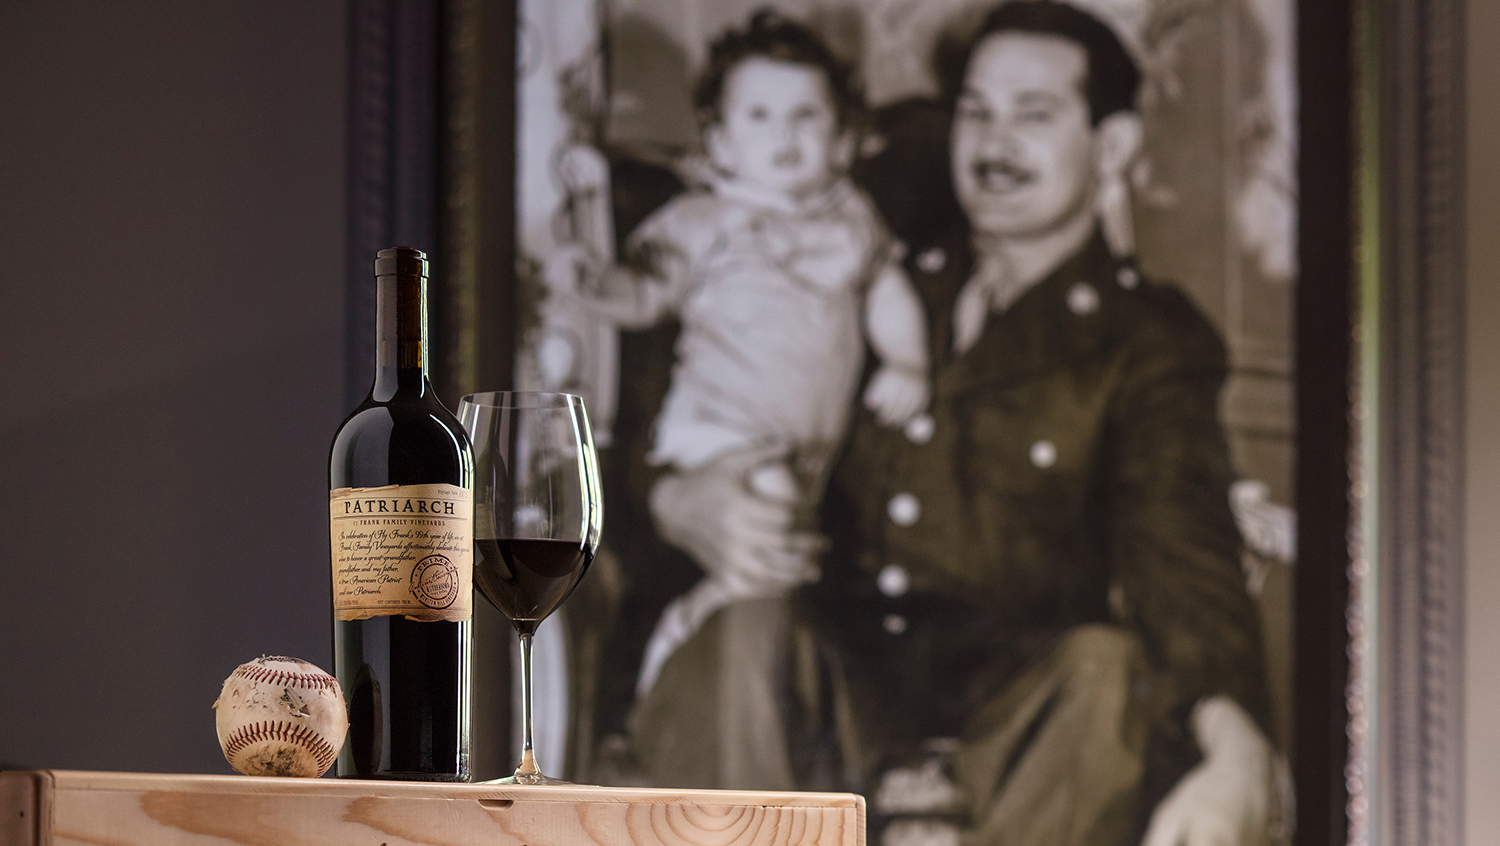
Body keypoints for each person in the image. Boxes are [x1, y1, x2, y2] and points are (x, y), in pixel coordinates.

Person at [646, 3, 1281, 845]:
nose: (993, 141)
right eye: (976, 111)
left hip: (1018, 740)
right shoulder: (870, 269)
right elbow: (705, 396)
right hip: (829, 708)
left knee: (1106, 670)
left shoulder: (1147, 339)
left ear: (1114, 146)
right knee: (744, 630)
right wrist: (677, 498)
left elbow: (1182, 552)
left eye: (1034, 114)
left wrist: (1235, 747)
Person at [549, 9, 931, 754]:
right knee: (769, 541)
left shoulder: (852, 219)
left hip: (802, 444)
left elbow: (887, 293)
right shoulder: (703, 220)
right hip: (717, 431)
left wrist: (909, 362)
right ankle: (682, 629)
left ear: (843, 137)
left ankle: (727, 628)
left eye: (806, 116)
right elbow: (647, 293)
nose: (783, 136)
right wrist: (598, 285)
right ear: (719, 141)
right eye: (758, 116)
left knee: (792, 540)